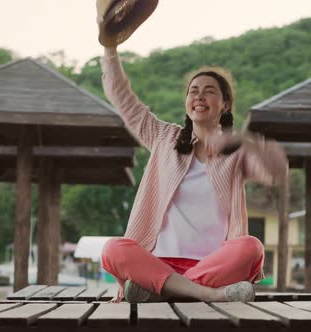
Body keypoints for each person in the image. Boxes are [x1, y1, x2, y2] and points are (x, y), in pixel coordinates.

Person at [98, 15, 288, 304]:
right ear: (187, 104)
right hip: (158, 263)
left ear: (224, 104)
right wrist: (110, 50)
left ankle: (162, 291)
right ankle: (206, 294)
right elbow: (123, 99)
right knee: (114, 248)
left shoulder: (235, 152)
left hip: (211, 265)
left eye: (209, 91)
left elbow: (276, 170)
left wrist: (246, 140)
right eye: (193, 91)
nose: (199, 96)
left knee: (251, 247)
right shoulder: (164, 138)